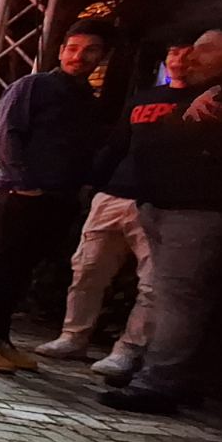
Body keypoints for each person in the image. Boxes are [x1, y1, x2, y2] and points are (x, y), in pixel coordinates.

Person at [35, 38, 195, 374]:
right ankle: (73, 336)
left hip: (161, 203)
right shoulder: (143, 99)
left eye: (187, 53)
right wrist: (95, 185)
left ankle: (128, 349)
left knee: (152, 283)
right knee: (87, 269)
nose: (179, 59)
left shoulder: (206, 102)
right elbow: (116, 145)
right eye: (174, 52)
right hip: (114, 194)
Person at [0, 20, 109, 373]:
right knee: (0, 265)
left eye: (90, 50)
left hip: (58, 197)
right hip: (20, 193)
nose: (79, 56)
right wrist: (23, 182)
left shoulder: (88, 100)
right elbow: (7, 134)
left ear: (102, 56)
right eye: (73, 48)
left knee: (21, 271)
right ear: (61, 51)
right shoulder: (33, 86)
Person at [99, 27, 222, 414]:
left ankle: (158, 383)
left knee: (178, 298)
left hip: (198, 212)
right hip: (164, 205)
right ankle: (173, 375)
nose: (192, 55)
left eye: (206, 49)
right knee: (173, 296)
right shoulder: (192, 92)